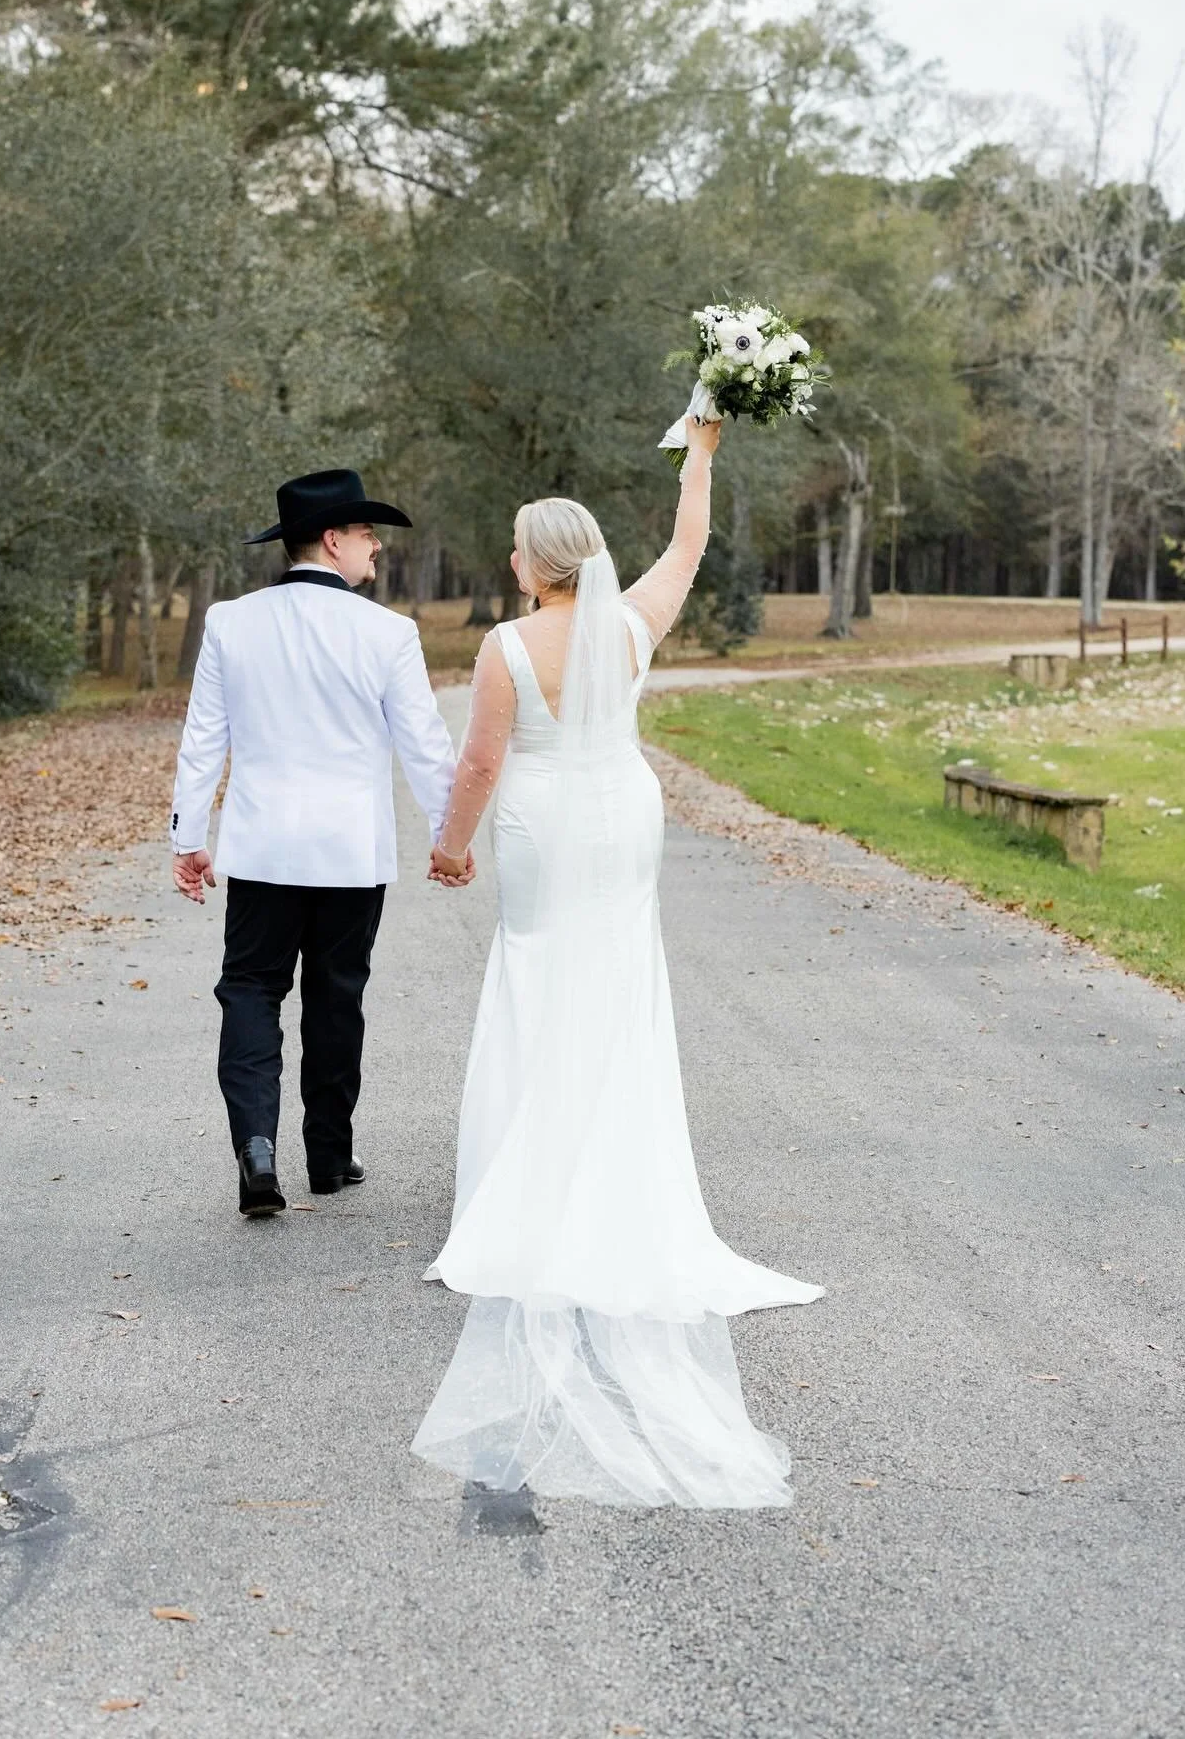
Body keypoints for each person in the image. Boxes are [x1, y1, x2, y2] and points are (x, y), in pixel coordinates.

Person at [413, 417, 824, 1509]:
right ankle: (605, 1149)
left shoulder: (510, 647)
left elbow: (484, 758)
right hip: (624, 817)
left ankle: (528, 1174)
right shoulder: (633, 625)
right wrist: (700, 453)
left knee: (538, 979)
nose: (509, 562)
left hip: (545, 825)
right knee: (616, 982)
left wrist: (450, 848)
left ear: (533, 564)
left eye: (513, 549)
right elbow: (688, 547)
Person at [169, 468, 468, 1217]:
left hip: (261, 847)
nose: (376, 547)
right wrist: (449, 839)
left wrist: (189, 835)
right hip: (348, 852)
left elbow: (204, 738)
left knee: (250, 990)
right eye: (368, 533)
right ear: (332, 540)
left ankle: (257, 1149)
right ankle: (330, 1158)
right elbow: (425, 746)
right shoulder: (388, 633)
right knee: (337, 997)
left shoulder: (232, 622)